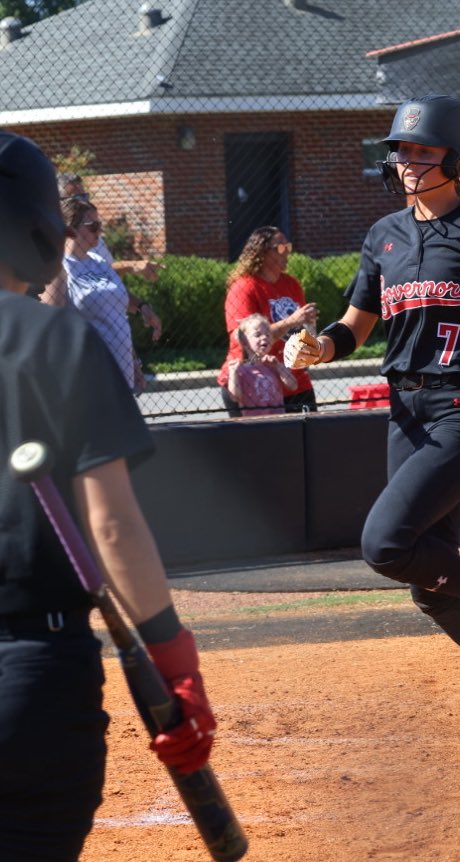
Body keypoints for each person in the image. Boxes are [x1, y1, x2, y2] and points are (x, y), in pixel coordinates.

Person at [284, 94, 460, 755]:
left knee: (384, 543)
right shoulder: (382, 235)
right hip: (404, 415)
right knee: (429, 590)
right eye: (401, 150)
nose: (407, 161)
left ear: (458, 159)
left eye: (422, 150)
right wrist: (317, 348)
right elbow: (355, 326)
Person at [0, 132, 217, 860]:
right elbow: (114, 527)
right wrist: (175, 666)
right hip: (31, 676)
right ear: (34, 227)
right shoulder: (55, 341)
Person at [42, 198, 143, 392]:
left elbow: (117, 315)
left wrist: (134, 360)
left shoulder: (99, 261)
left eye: (100, 225)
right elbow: (52, 324)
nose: (99, 231)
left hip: (122, 368)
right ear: (71, 229)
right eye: (93, 226)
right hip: (88, 373)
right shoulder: (59, 267)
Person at [217, 226, 319, 415]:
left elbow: (301, 330)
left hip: (293, 379)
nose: (287, 252)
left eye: (288, 246)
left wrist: (309, 329)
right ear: (262, 252)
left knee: (307, 439)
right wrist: (291, 321)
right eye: (280, 248)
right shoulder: (244, 288)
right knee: (260, 443)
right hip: (253, 381)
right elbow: (240, 339)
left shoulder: (291, 284)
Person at [227, 313, 298, 416]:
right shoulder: (241, 370)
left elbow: (293, 386)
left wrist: (279, 368)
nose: (264, 337)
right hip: (254, 424)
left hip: (278, 420)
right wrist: (233, 373)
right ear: (244, 341)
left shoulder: (273, 365)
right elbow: (235, 396)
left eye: (268, 334)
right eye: (257, 335)